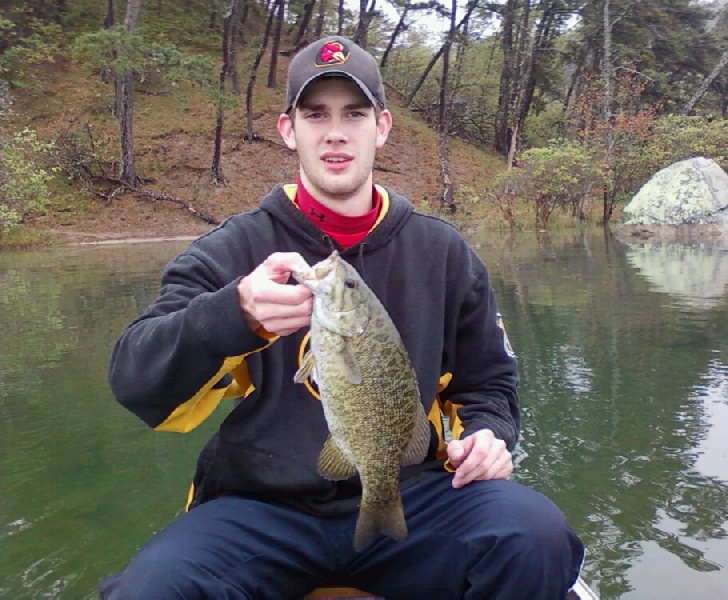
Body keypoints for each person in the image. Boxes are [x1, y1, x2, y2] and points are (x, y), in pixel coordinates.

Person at [101, 36, 584, 599]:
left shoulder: (443, 252)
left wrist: (487, 434)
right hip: (261, 508)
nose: (335, 132)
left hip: (412, 495)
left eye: (354, 114)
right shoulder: (230, 250)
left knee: (536, 537)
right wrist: (230, 312)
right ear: (289, 130)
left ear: (381, 127)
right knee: (152, 589)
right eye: (316, 115)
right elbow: (135, 381)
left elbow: (489, 383)